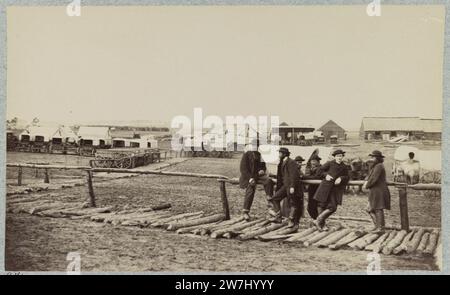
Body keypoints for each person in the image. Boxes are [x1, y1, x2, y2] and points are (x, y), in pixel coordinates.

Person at [313, 149, 349, 231]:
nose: (339, 158)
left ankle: (318, 220)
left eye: (340, 156)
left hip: (335, 190)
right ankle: (322, 225)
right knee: (321, 205)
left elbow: (347, 176)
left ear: (343, 157)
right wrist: (326, 175)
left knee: (333, 207)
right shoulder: (329, 163)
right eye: (337, 156)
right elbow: (318, 171)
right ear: (335, 157)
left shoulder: (344, 167)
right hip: (325, 187)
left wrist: (341, 178)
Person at [267, 147, 303, 229]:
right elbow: (281, 176)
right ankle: (278, 217)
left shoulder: (291, 162)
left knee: (293, 203)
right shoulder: (282, 162)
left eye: (280, 153)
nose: (279, 155)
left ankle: (291, 220)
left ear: (284, 154)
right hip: (285, 186)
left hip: (291, 186)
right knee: (275, 198)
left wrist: (292, 186)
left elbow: (294, 175)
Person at [239, 141, 273, 221]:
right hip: (247, 177)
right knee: (250, 189)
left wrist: (262, 170)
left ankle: (270, 203)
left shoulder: (259, 155)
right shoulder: (246, 155)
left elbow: (263, 166)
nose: (255, 147)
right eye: (253, 145)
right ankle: (245, 211)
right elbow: (243, 169)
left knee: (268, 181)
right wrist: (250, 178)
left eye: (257, 145)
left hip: (257, 176)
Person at [363, 150, 391, 233]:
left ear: (378, 158)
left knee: (378, 208)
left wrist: (366, 185)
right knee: (369, 209)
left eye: (373, 157)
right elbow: (369, 176)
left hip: (379, 190)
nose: (371, 159)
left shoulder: (379, 166)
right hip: (375, 190)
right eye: (371, 157)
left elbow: (373, 179)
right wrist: (366, 181)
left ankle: (381, 228)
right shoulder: (375, 166)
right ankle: (377, 226)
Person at [303, 154, 322, 220]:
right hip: (312, 189)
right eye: (311, 161)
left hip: (318, 189)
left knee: (316, 206)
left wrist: (304, 177)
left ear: (318, 162)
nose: (312, 163)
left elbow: (316, 177)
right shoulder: (311, 168)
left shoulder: (320, 168)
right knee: (310, 207)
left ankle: (318, 220)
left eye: (314, 161)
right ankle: (316, 219)